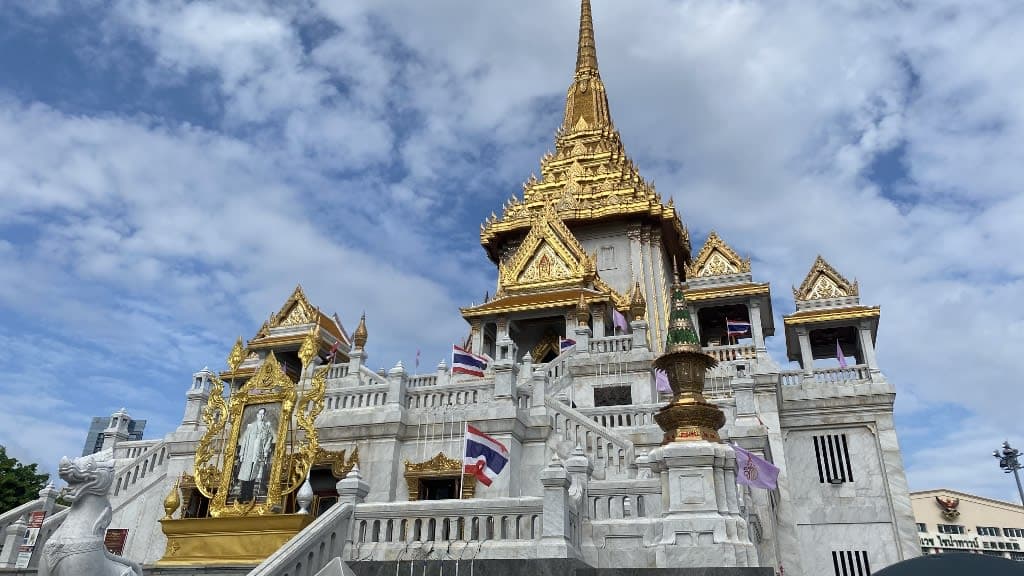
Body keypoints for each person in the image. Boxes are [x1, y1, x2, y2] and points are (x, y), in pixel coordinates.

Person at [235, 407, 275, 502]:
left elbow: (269, 439)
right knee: (246, 474)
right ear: (257, 415)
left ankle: (249, 495)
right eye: (260, 414)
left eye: (263, 414)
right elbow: (244, 441)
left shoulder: (266, 428)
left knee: (253, 474)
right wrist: (242, 454)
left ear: (264, 416)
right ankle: (242, 495)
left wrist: (265, 452)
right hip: (249, 453)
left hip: (258, 454)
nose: (261, 416)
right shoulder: (251, 426)